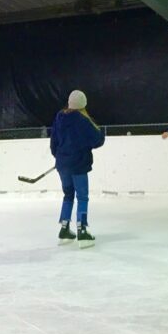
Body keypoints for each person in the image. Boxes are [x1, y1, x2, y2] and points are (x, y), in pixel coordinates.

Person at [50, 90, 105, 247]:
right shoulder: (83, 120)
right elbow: (97, 139)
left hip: (63, 165)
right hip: (79, 164)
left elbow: (53, 142)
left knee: (68, 195)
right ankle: (82, 231)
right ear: (83, 104)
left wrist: (60, 157)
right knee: (82, 197)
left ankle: (64, 229)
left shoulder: (59, 117)